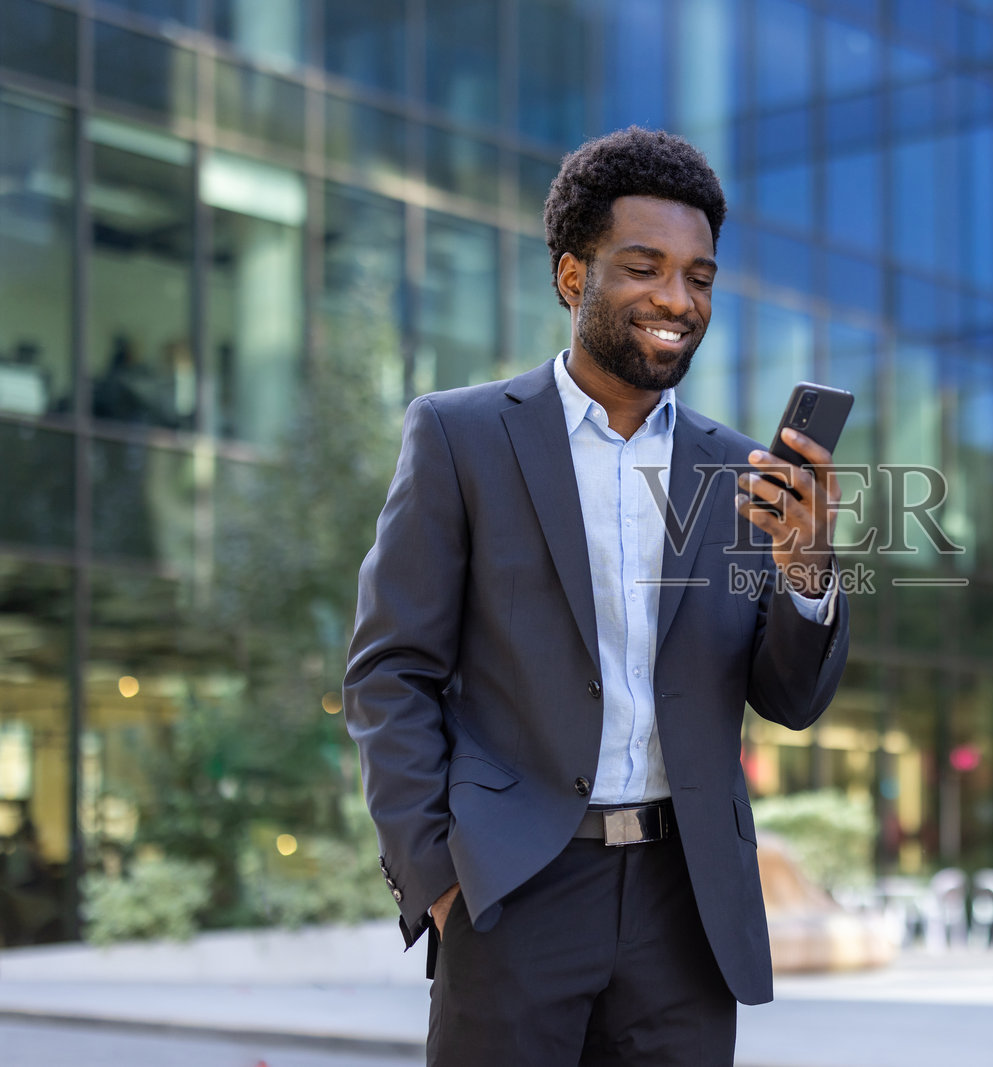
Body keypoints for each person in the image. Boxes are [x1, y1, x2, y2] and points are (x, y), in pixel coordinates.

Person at [344, 127, 850, 1066]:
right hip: (514, 891)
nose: (676, 299)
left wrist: (806, 569)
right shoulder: (460, 438)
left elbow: (789, 699)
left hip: (684, 903)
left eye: (699, 277)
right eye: (645, 267)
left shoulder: (739, 471)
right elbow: (389, 671)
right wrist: (439, 879)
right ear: (573, 276)